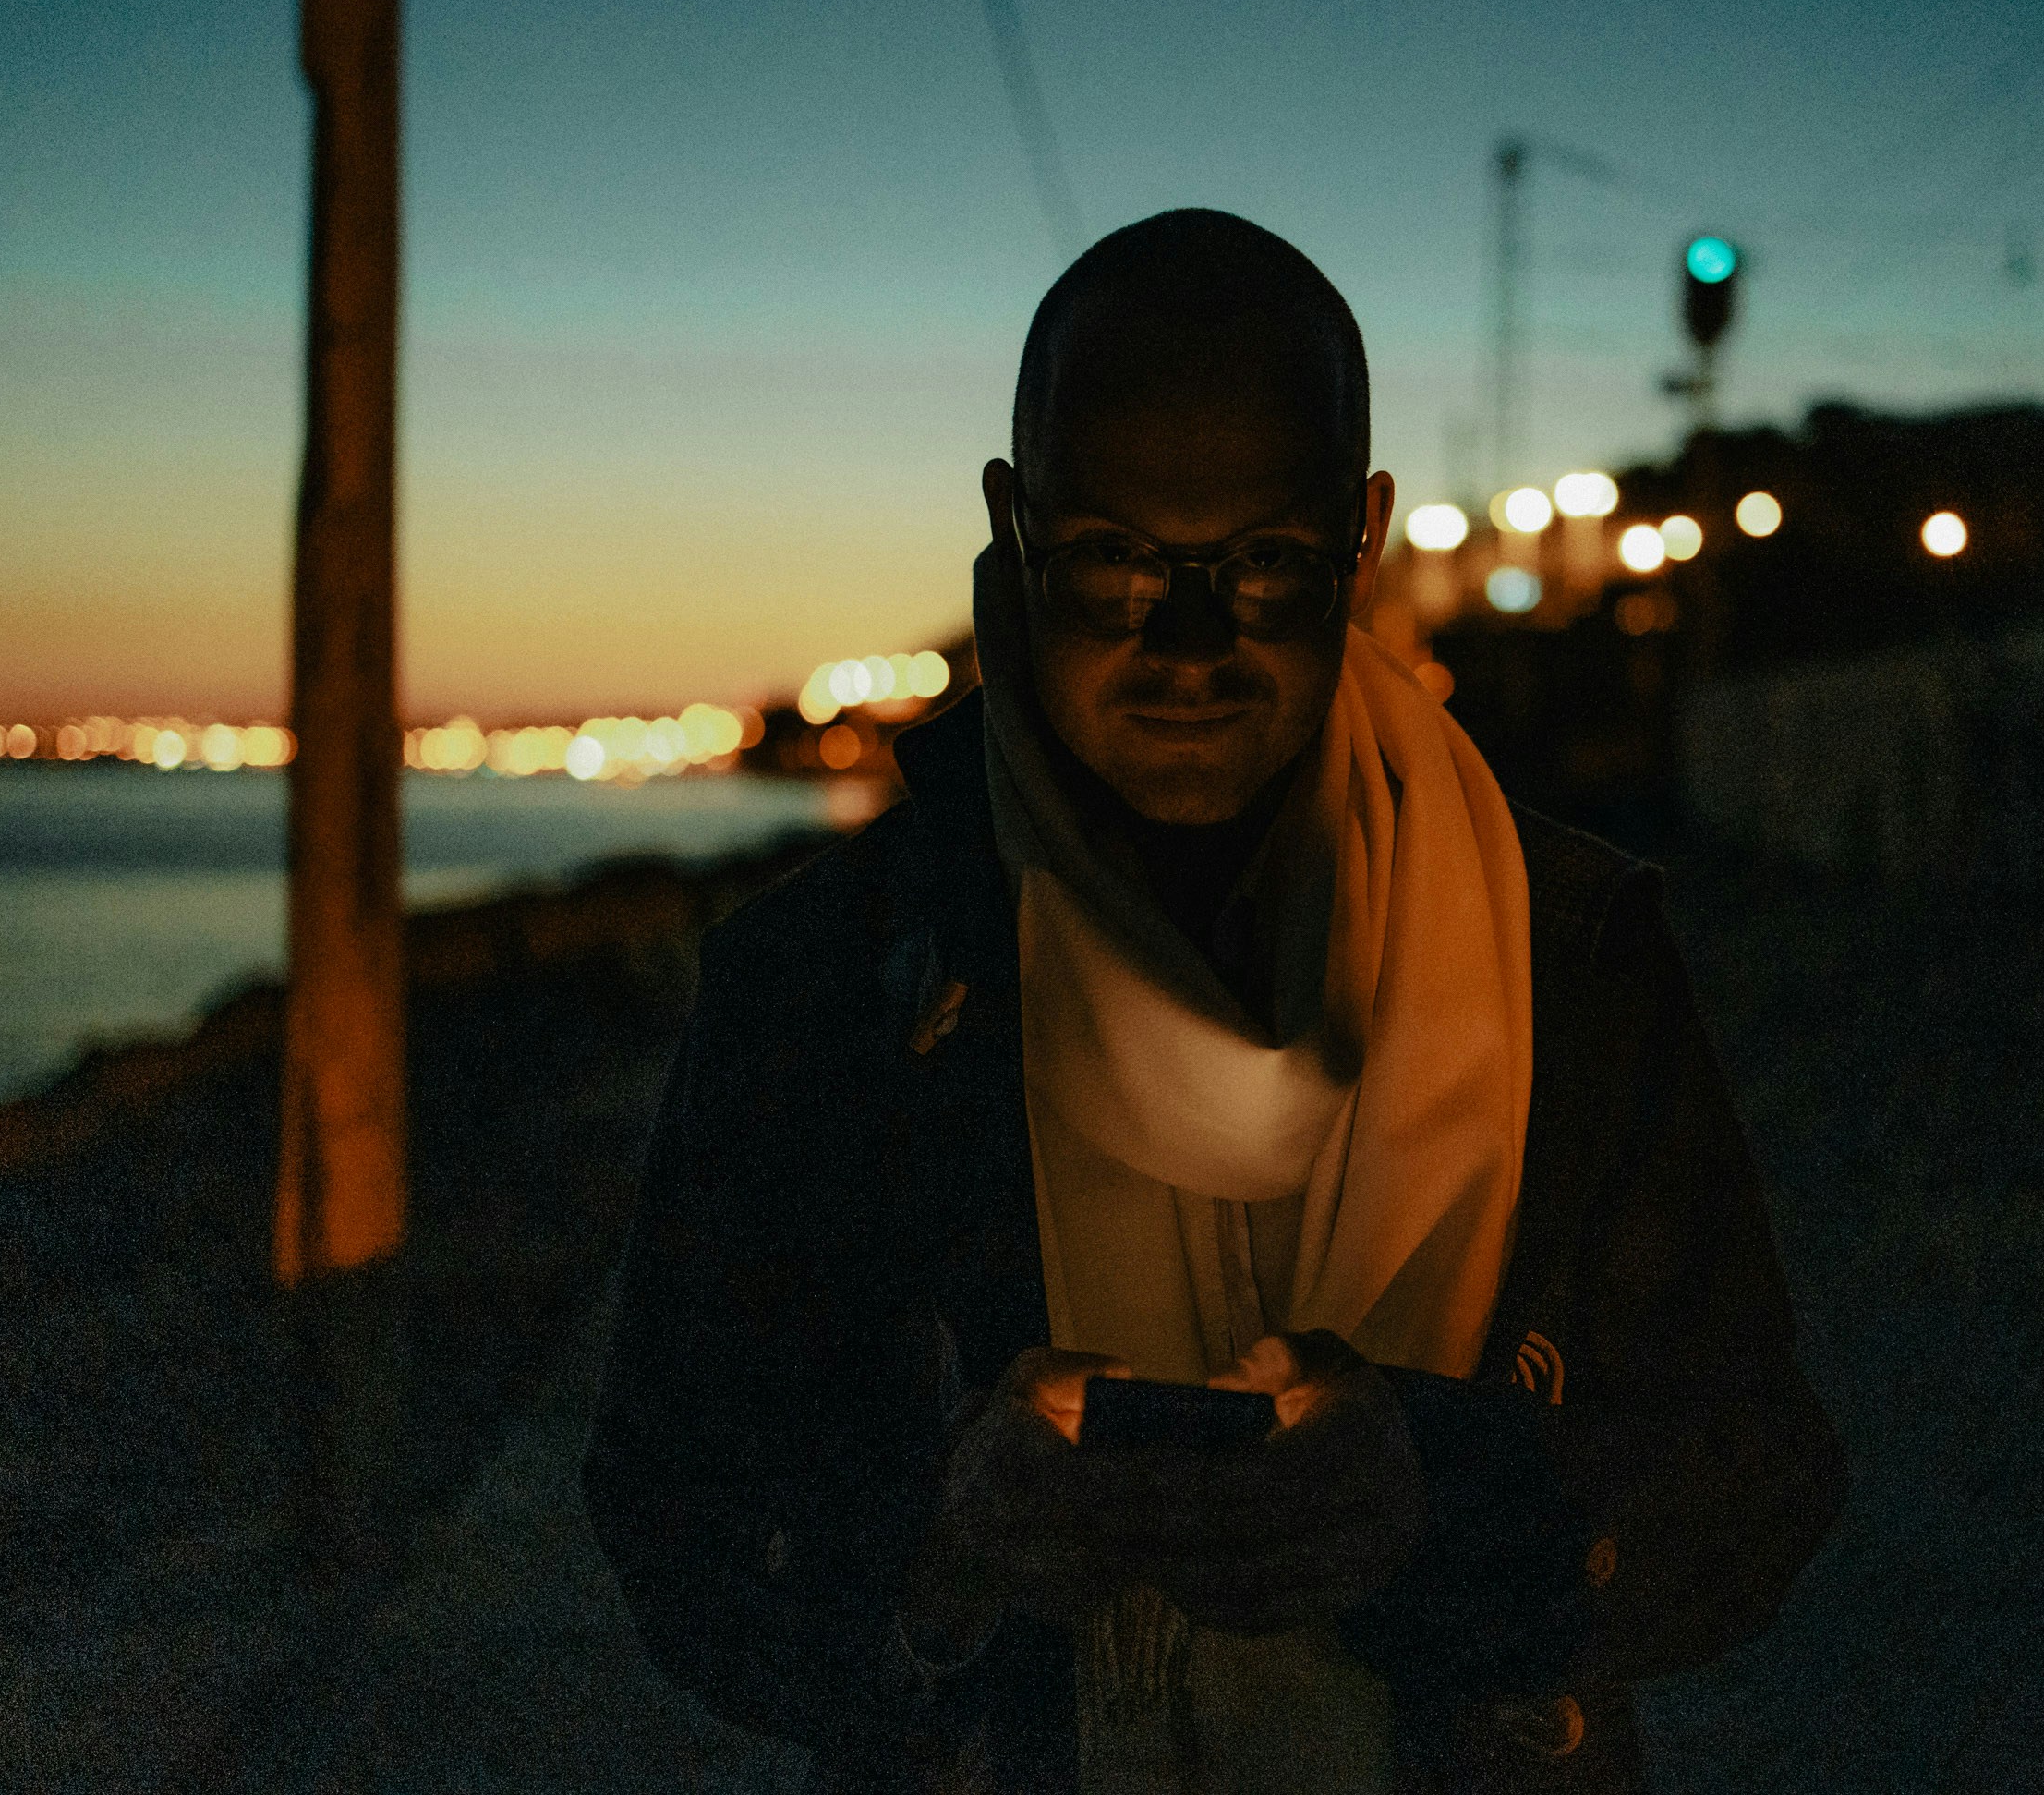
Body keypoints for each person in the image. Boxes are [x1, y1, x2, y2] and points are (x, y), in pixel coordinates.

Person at [583, 209, 1844, 1793]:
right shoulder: (828, 983)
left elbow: (1758, 1478)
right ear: (1015, 523)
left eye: (1264, 563)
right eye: (1116, 559)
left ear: (1361, 537)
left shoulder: (1571, 949)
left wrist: (1456, 1503)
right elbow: (670, 1516)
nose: (1190, 643)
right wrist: (940, 1546)